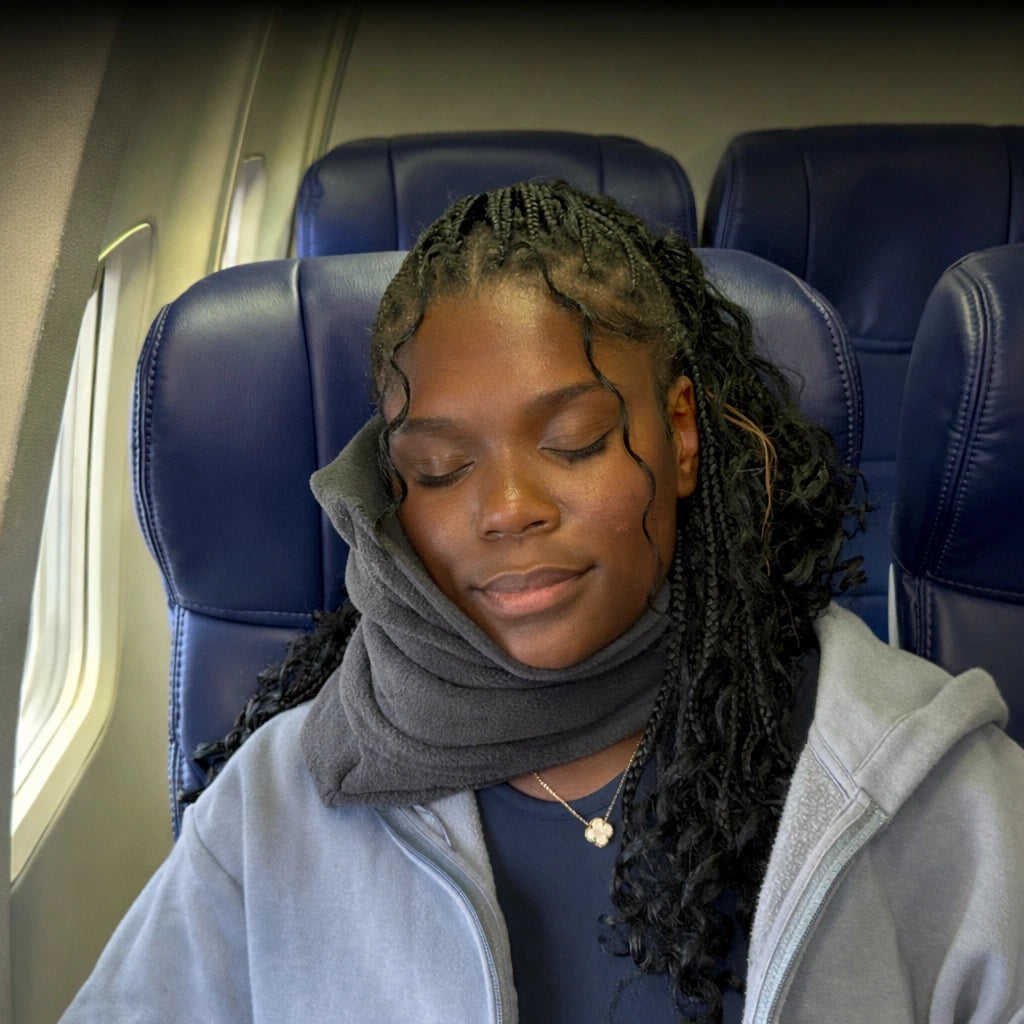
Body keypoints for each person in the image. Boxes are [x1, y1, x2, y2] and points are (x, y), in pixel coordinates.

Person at [60, 181, 1024, 1024]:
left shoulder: (924, 785)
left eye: (574, 442)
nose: (509, 509)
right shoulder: (273, 807)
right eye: (442, 470)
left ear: (681, 434)